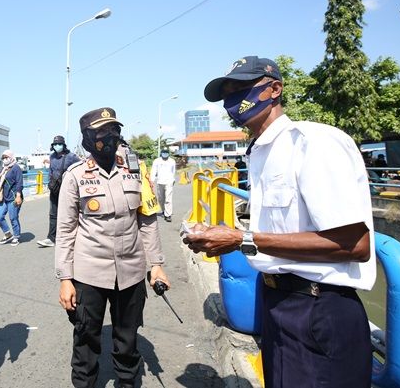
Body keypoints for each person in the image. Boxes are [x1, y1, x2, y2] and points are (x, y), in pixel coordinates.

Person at [187, 56, 375, 388]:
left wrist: (241, 240)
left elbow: (355, 244)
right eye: (227, 95)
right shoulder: (260, 153)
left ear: (274, 89)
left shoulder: (312, 143)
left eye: (242, 90)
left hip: (318, 310)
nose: (233, 102)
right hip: (276, 304)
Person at [56, 107, 170, 388]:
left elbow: (147, 220)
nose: (110, 137)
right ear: (87, 138)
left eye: (114, 130)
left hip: (131, 272)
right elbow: (65, 230)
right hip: (88, 273)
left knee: (127, 340)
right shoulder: (75, 175)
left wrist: (156, 266)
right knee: (85, 340)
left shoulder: (136, 170)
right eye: (102, 132)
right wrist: (65, 279)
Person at [37, 135, 80, 248]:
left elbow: (81, 167)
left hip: (68, 190)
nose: (57, 146)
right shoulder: (52, 157)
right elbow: (51, 171)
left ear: (64, 145)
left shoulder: (71, 157)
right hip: (54, 189)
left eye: (59, 144)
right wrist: (49, 183)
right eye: (55, 144)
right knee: (53, 214)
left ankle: (73, 236)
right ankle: (51, 238)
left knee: (70, 213)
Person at [0, 149, 23, 246]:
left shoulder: (16, 168)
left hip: (14, 197)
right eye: (3, 158)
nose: (4, 159)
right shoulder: (3, 169)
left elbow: (19, 182)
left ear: (11, 157)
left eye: (6, 157)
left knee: (13, 217)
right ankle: (8, 234)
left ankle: (16, 236)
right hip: (3, 198)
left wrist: (18, 196)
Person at [151, 149, 176, 222]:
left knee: (168, 199)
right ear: (161, 153)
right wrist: (152, 180)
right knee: (161, 199)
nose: (165, 154)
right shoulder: (157, 161)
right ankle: (163, 210)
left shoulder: (172, 161)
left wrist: (173, 180)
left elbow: (173, 171)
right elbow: (153, 171)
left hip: (169, 182)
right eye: (164, 152)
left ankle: (168, 215)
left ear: (168, 153)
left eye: (166, 152)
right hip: (160, 181)